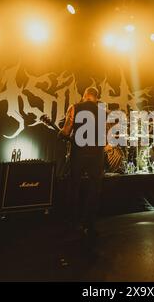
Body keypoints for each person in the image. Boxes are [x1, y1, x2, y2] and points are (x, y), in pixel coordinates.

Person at [59, 87, 105, 238]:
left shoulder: (75, 107)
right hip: (97, 154)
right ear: (96, 98)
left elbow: (66, 131)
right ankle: (89, 224)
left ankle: (73, 223)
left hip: (79, 153)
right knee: (94, 189)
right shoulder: (103, 111)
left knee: (74, 186)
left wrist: (61, 133)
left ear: (84, 96)